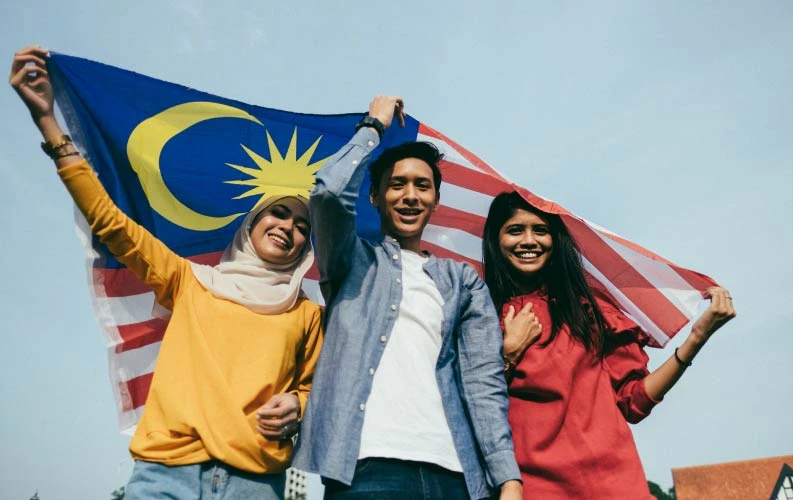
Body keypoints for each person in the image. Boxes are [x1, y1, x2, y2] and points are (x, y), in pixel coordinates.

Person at [10, 46, 323, 499]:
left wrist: (297, 404)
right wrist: (48, 123)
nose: (289, 227)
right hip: (166, 475)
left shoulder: (306, 314)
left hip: (255, 483)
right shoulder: (189, 281)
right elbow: (111, 224)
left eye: (302, 227)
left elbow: (315, 389)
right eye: (278, 213)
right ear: (251, 223)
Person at [292, 96, 523, 500]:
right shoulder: (350, 261)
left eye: (422, 186)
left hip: (455, 474)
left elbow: (482, 381)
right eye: (397, 185)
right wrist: (373, 126)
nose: (411, 195)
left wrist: (508, 477)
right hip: (365, 469)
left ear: (435, 199)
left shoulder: (462, 281)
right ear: (374, 197)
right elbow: (328, 194)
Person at [481, 191, 737, 499]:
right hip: (532, 488)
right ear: (495, 239)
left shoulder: (589, 309)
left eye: (540, 230)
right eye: (515, 230)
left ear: (556, 239)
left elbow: (634, 401)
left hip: (613, 484)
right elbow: (474, 406)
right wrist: (507, 353)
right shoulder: (478, 318)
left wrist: (697, 337)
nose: (529, 241)